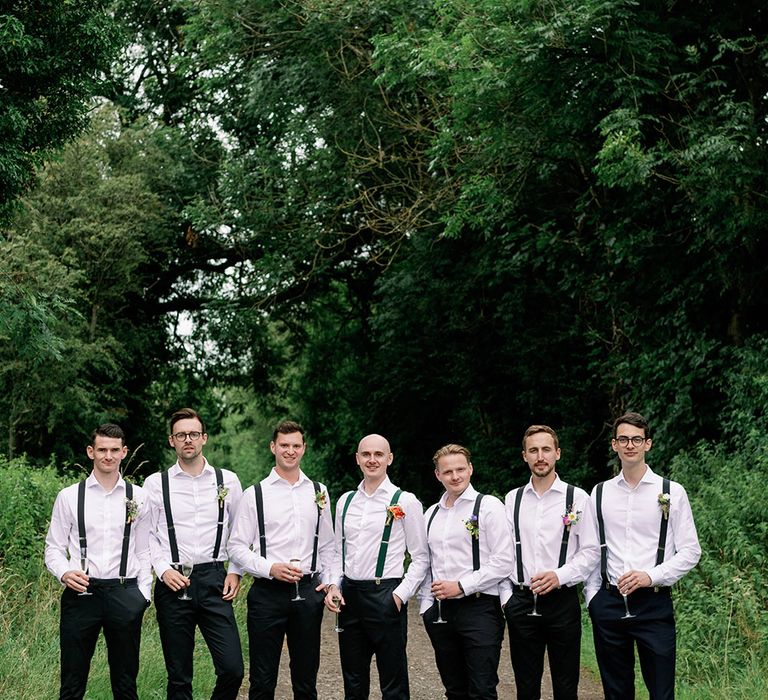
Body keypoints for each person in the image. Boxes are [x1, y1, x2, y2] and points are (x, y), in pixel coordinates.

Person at [585, 412, 701, 700]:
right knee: (616, 692)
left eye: (637, 439)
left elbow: (690, 551)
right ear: (614, 445)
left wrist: (651, 576)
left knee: (661, 692)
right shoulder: (599, 493)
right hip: (609, 604)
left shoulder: (672, 492)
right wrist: (593, 599)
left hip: (653, 605)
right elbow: (589, 550)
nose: (630, 445)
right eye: (623, 439)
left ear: (647, 444)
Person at [44, 423, 151, 700]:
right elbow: (53, 548)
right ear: (91, 452)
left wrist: (143, 596)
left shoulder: (139, 497)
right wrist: (65, 572)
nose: (108, 456)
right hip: (81, 594)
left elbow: (144, 550)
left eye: (114, 450)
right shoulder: (68, 496)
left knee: (126, 684)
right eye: (102, 449)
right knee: (72, 681)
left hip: (124, 593)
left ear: (124, 452)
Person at [228, 420, 334, 699]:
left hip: (308, 592)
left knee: (306, 678)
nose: (290, 451)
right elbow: (237, 546)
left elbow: (328, 545)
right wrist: (270, 568)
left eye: (296, 445)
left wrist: (330, 583)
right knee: (262, 680)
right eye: (284, 445)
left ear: (304, 449)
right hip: (267, 594)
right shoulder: (255, 494)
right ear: (273, 447)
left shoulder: (318, 491)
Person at [145, 407, 244, 700]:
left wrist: (235, 571)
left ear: (204, 438)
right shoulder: (155, 483)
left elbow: (240, 532)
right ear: (171, 440)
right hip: (172, 582)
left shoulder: (228, 480)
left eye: (193, 434)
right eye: (181, 435)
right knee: (179, 677)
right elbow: (146, 537)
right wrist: (163, 570)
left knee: (232, 670)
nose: (188, 439)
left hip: (215, 578)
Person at [324, 433, 429, 699]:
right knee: (353, 680)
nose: (372, 460)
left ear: (389, 458)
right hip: (350, 598)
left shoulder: (404, 501)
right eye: (366, 454)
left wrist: (399, 595)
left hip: (386, 594)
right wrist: (334, 584)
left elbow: (421, 557)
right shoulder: (346, 501)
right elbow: (338, 551)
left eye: (378, 454)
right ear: (358, 459)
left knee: (393, 681)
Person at [500, 425, 599, 700]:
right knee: (526, 687)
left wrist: (559, 576)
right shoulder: (512, 499)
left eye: (546, 449)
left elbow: (591, 551)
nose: (540, 456)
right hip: (520, 602)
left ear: (557, 453)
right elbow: (502, 552)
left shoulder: (578, 498)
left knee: (566, 687)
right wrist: (506, 599)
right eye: (533, 450)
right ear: (524, 456)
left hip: (562, 602)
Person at [420, 443, 513, 700]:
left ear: (470, 469)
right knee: (454, 689)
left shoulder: (489, 506)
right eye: (448, 471)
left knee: (482, 689)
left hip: (480, 608)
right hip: (441, 613)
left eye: (461, 469)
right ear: (438, 475)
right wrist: (426, 608)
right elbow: (426, 563)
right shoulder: (431, 514)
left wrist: (462, 586)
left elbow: (504, 560)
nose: (455, 476)